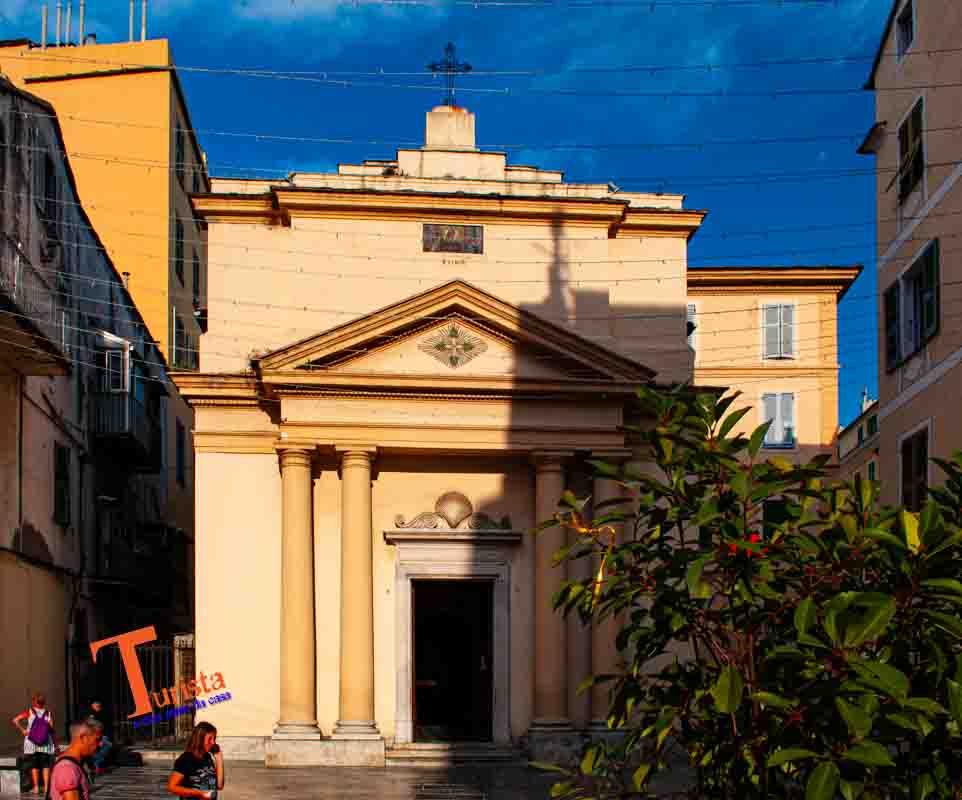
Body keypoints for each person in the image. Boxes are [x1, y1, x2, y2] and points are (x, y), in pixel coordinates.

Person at [10, 693, 58, 795]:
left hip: (32, 742)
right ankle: (46, 788)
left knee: (34, 765)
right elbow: (52, 730)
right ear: (44, 702)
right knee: (45, 765)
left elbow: (15, 720)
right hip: (45, 742)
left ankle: (36, 788)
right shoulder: (48, 713)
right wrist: (55, 744)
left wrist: (23, 730)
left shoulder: (29, 712)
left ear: (34, 702)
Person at [167, 722, 225, 800]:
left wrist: (219, 759)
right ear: (200, 739)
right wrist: (200, 793)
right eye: (210, 739)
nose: (213, 743)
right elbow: (172, 787)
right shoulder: (186, 759)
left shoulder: (207, 757)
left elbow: (219, 785)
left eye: (214, 739)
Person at [46, 719, 100, 800]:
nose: (100, 744)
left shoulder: (73, 763)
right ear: (83, 738)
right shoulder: (67, 768)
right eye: (97, 740)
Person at [84, 702, 111, 775]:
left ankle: (96, 765)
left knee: (106, 744)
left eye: (99, 706)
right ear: (92, 705)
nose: (99, 707)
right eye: (97, 706)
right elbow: (92, 726)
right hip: (93, 736)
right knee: (106, 744)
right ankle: (95, 764)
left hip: (99, 735)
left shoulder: (100, 714)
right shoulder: (90, 714)